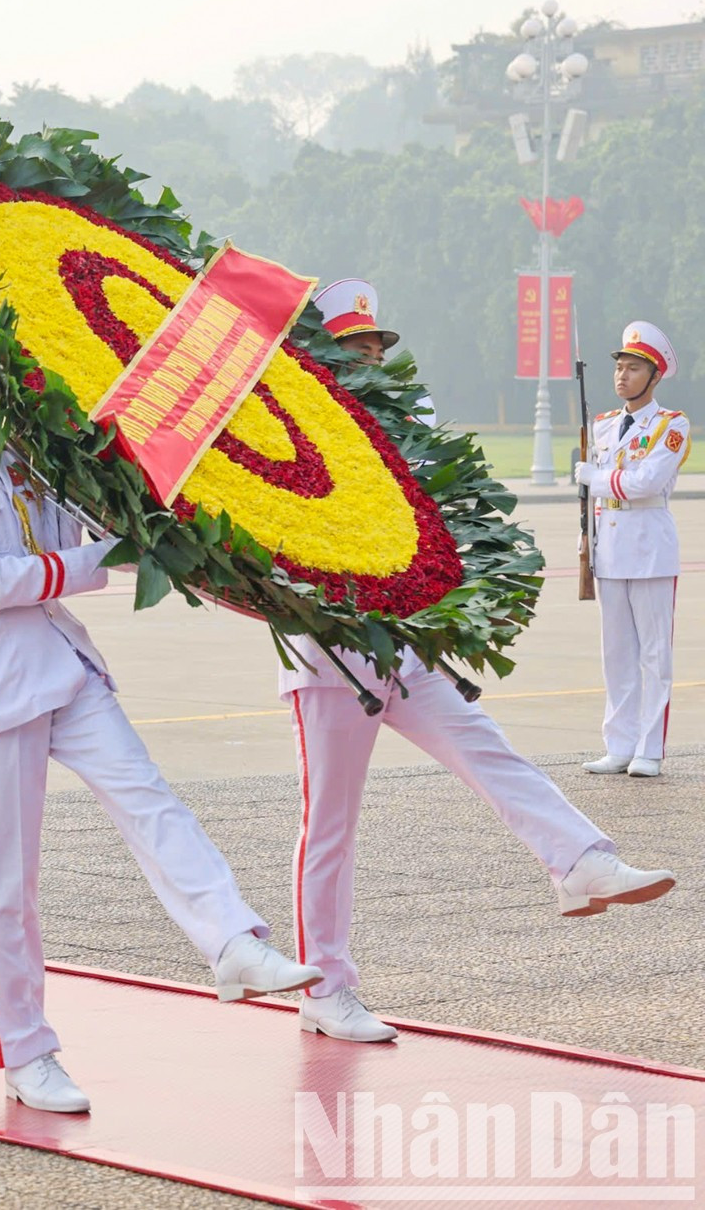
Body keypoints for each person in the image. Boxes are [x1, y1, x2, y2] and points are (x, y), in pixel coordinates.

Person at [0, 273, 319, 1113]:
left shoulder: (9, 447)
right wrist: (101, 560)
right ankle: (26, 1054)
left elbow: (65, 525)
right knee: (10, 882)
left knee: (150, 798)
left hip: (61, 659)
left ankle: (233, 940)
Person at [285, 282, 677, 1045]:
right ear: (326, 359)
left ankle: (580, 860)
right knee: (330, 825)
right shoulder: (296, 430)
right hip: (330, 648)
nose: (373, 360)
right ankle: (324, 988)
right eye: (357, 350)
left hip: (404, 639)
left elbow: (443, 504)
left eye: (378, 349)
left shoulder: (412, 419)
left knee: (484, 743)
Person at [574, 320, 689, 778]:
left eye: (634, 368)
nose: (623, 375)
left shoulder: (670, 425)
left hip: (650, 548)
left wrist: (593, 478)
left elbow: (646, 483)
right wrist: (586, 538)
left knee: (654, 654)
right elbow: (594, 498)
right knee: (616, 654)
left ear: (654, 376)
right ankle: (618, 744)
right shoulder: (601, 425)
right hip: (611, 549)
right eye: (620, 366)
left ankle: (650, 749)